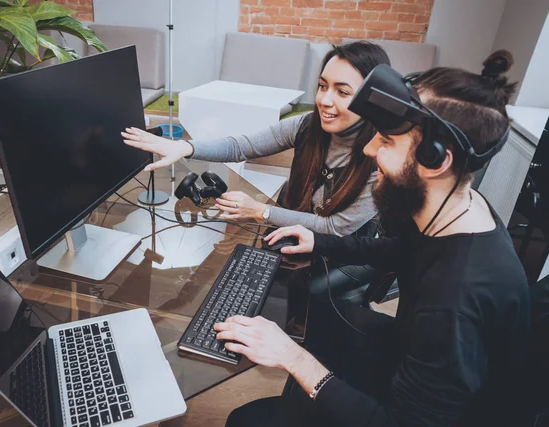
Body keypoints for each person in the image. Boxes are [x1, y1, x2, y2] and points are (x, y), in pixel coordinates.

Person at [213, 50, 531, 426]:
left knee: (245, 420)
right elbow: (404, 249)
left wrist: (292, 358)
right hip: (410, 355)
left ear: (435, 160)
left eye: (386, 142)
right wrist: (322, 242)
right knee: (327, 327)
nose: (368, 149)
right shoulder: (462, 206)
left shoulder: (454, 302)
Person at [122, 42, 390, 236]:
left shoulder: (382, 159)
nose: (325, 100)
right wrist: (184, 146)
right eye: (322, 86)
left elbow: (335, 228)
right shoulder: (307, 125)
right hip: (286, 236)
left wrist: (262, 211)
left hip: (333, 256)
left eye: (342, 92)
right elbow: (240, 146)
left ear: (371, 99)